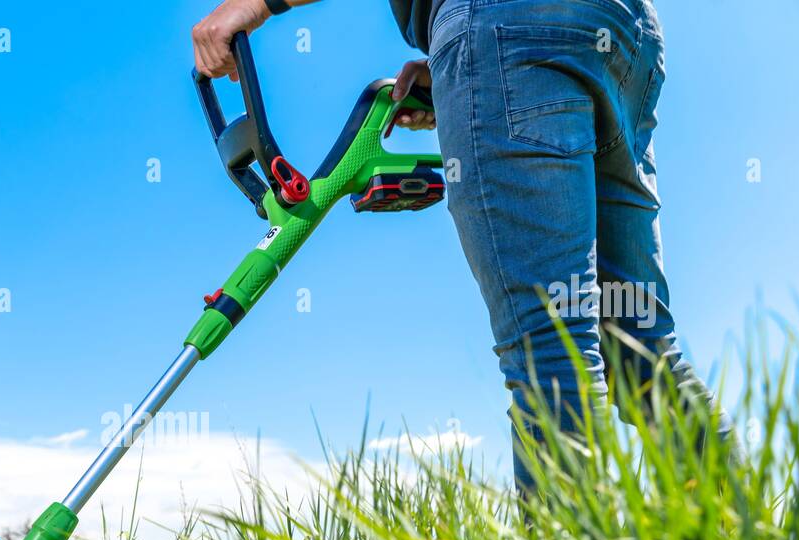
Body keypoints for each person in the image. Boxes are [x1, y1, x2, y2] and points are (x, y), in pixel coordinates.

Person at [192, 0, 738, 493]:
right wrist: (460, 68)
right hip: (620, 29)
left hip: (506, 25)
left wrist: (259, 3)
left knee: (549, 340)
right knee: (636, 342)